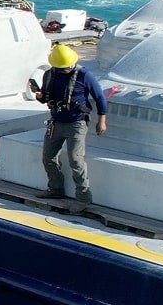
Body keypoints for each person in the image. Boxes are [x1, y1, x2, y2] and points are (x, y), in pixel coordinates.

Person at [33, 43, 108, 210]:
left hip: (77, 123)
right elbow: (45, 98)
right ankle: (55, 189)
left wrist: (101, 120)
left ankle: (83, 199)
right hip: (56, 122)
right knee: (48, 157)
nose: (65, 71)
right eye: (61, 69)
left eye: (67, 68)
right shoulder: (49, 75)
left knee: (76, 160)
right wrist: (39, 96)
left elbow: (100, 97)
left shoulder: (84, 75)